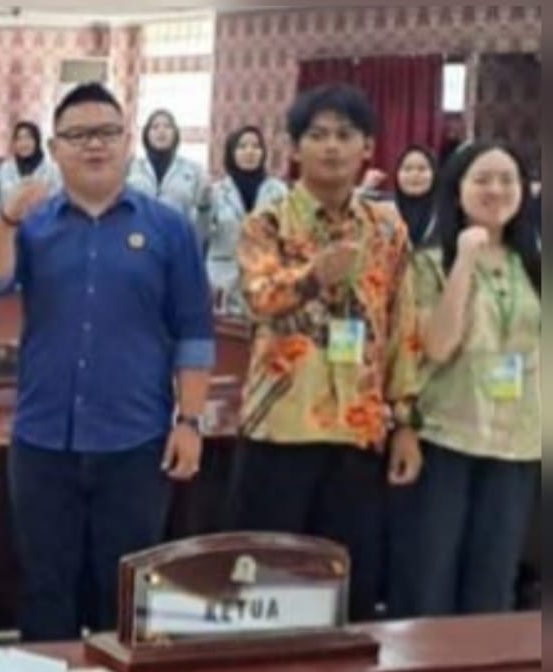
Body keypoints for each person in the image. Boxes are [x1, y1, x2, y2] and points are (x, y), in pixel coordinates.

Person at [0, 83, 214, 640]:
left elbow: (194, 333)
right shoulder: (33, 225)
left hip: (135, 440)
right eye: (78, 135)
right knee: (45, 588)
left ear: (128, 142)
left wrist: (190, 422)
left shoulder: (168, 228)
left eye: (106, 133)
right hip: (43, 440)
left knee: (124, 597)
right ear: (54, 149)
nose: (94, 145)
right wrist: (6, 220)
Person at [233, 84, 422, 622]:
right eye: (317, 135)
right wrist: (313, 276)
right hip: (280, 429)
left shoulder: (387, 228)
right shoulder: (267, 223)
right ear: (295, 148)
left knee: (347, 591)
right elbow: (258, 298)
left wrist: (406, 422)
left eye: (345, 135)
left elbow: (402, 327)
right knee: (268, 591)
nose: (332, 147)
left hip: (357, 431)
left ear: (368, 146)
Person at [387, 142, 540, 619]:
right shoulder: (429, 263)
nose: (496, 190)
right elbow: (436, 346)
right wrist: (466, 260)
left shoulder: (533, 263)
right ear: (456, 191)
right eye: (482, 179)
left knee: (493, 581)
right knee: (430, 578)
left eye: (507, 180)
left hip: (518, 443)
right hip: (446, 435)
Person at [206, 126, 289, 315]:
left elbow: (288, 237)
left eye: (255, 146)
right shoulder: (215, 192)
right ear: (231, 152)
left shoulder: (278, 191)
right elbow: (202, 233)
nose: (250, 151)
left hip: (266, 280)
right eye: (242, 146)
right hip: (224, 281)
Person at [127, 108, 211, 242]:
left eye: (167, 126)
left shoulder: (194, 170)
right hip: (138, 240)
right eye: (155, 127)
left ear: (176, 133)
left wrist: (196, 241)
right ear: (146, 134)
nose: (161, 131)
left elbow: (204, 213)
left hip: (178, 241)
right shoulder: (131, 168)